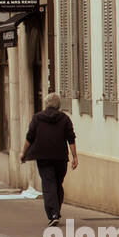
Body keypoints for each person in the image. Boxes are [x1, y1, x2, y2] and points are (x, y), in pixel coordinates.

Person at [20, 92, 78, 227]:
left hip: (43, 156)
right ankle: (56, 211)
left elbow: (30, 137)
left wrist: (23, 153)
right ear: (59, 105)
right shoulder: (64, 118)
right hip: (60, 157)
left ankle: (53, 213)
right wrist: (75, 156)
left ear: (46, 104)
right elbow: (71, 138)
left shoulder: (37, 118)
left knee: (48, 184)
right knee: (57, 184)